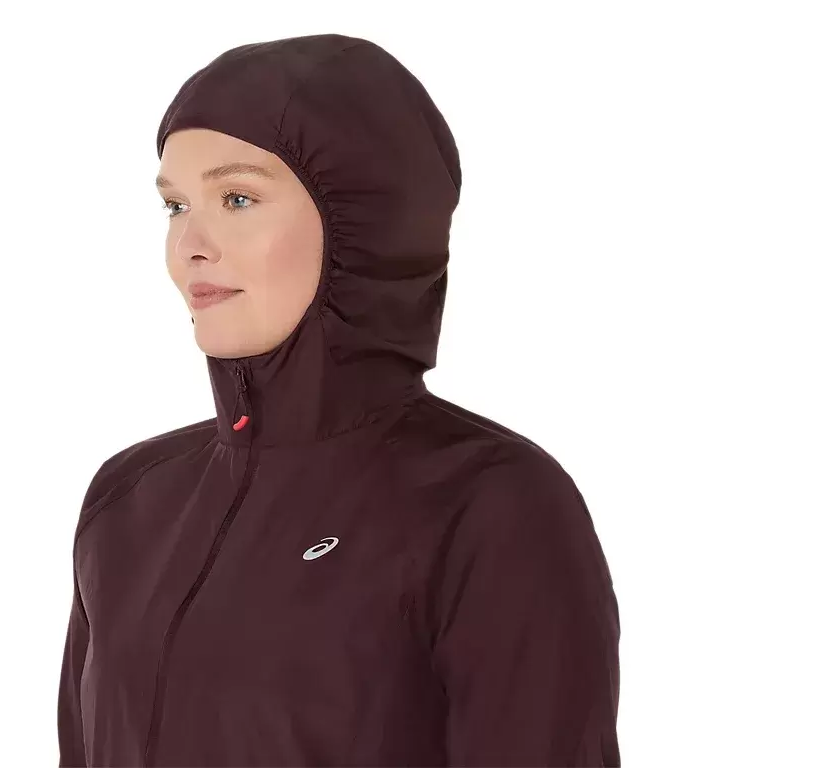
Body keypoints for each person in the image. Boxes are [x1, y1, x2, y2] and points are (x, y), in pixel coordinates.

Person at [57, 33, 621, 767]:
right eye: (174, 206)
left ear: (366, 221)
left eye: (236, 198)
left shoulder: (489, 506)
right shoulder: (131, 501)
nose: (190, 244)